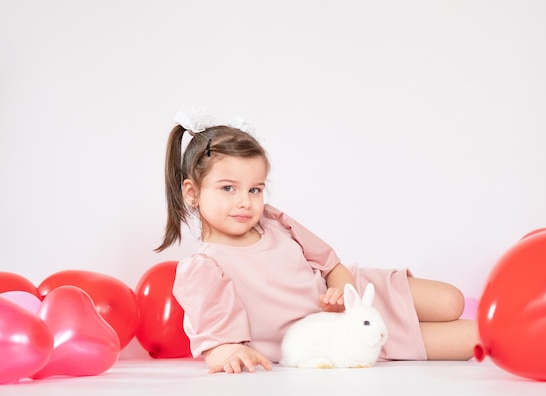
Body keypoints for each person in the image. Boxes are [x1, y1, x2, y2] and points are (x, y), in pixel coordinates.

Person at [156, 107, 479, 374]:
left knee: (452, 300)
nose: (245, 201)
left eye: (255, 188)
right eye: (228, 188)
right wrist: (226, 353)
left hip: (360, 298)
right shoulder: (205, 267)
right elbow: (216, 336)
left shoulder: (273, 221)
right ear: (193, 193)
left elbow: (331, 264)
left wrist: (342, 291)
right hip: (334, 337)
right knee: (474, 338)